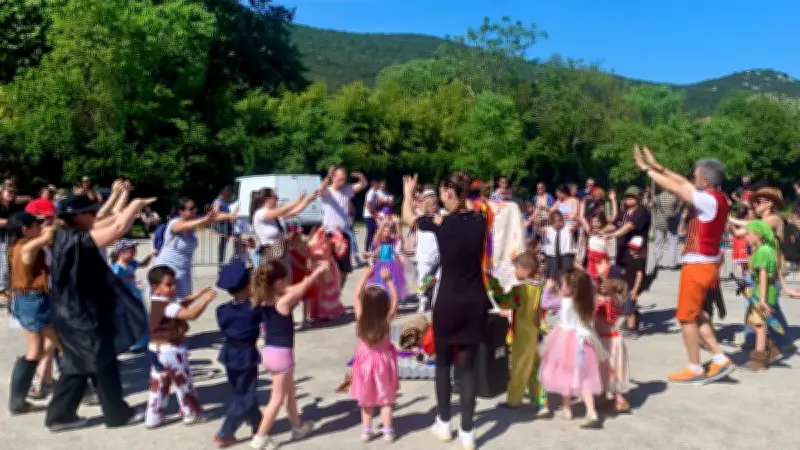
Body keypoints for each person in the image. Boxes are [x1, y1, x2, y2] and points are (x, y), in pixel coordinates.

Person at [45, 194, 154, 431]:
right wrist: (135, 205)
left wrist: (122, 202)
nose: (95, 216)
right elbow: (116, 228)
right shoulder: (76, 240)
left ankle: (60, 416)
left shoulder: (66, 235)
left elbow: (108, 221)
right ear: (77, 217)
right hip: (79, 315)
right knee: (102, 361)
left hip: (71, 312)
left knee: (79, 364)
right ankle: (117, 414)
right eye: (90, 213)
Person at [401, 172, 491, 450]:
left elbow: (407, 218)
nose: (441, 198)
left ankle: (444, 422)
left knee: (443, 363)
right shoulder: (481, 220)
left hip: (449, 302)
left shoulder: (441, 223)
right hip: (475, 301)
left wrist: (408, 194)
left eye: (442, 193)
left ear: (450, 193)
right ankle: (468, 431)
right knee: (466, 368)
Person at [634, 145, 734, 384]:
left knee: (686, 317)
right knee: (698, 314)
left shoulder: (707, 200)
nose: (692, 178)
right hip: (707, 265)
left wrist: (646, 170)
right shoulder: (718, 198)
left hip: (698, 265)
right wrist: (660, 167)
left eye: (696, 175)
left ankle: (694, 367)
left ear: (706, 181)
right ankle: (720, 357)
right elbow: (683, 184)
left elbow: (676, 187)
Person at [250, 260, 328, 450]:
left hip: (269, 352)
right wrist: (318, 272)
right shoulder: (284, 301)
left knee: (289, 391)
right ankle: (260, 438)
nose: (288, 283)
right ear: (278, 283)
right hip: (282, 355)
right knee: (276, 398)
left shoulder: (263, 299)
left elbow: (295, 287)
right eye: (285, 280)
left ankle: (298, 426)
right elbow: (302, 288)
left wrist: (312, 274)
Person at [144, 266, 216, 428]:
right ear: (156, 288)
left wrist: (194, 297)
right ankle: (191, 413)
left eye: (174, 283)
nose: (174, 287)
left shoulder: (156, 300)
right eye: (169, 285)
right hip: (170, 351)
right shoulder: (167, 307)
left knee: (159, 384)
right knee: (183, 383)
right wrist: (205, 300)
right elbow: (190, 315)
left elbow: (179, 304)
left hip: (154, 349)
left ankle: (153, 418)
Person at [538, 268, 605, 428]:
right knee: (584, 378)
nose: (560, 287)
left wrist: (547, 288)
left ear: (571, 288)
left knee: (564, 374)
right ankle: (591, 411)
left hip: (564, 341)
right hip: (583, 342)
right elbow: (592, 285)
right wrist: (591, 274)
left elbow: (545, 303)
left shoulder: (563, 301)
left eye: (563, 284)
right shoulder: (586, 301)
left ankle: (567, 409)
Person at [7, 212, 58, 415]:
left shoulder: (15, 246)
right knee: (60, 343)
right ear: (24, 230)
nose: (39, 227)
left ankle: (17, 401)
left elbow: (42, 236)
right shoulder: (27, 246)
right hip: (33, 300)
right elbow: (47, 237)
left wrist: (44, 225)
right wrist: (55, 223)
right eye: (35, 225)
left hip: (23, 299)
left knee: (35, 350)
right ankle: (64, 391)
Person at [212, 261, 263, 448]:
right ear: (247, 287)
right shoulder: (253, 309)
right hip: (246, 355)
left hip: (229, 353)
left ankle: (258, 423)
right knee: (245, 395)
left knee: (241, 391)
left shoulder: (222, 310)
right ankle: (225, 432)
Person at [350, 266, 400, 442]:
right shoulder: (386, 319)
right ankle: (388, 431)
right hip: (383, 363)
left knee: (366, 399)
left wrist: (364, 276)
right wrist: (388, 281)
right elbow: (395, 300)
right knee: (385, 398)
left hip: (364, 363)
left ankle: (366, 430)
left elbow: (355, 295)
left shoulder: (361, 317)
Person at [496, 253, 548, 415]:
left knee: (519, 368)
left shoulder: (521, 290)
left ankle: (513, 401)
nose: (515, 272)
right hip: (538, 332)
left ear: (526, 270)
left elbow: (504, 302)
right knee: (535, 369)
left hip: (523, 335)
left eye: (516, 268)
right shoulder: (540, 287)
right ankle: (541, 402)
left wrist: (493, 286)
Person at [155, 197, 237, 299]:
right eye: (191, 209)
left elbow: (212, 218)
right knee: (166, 305)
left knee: (183, 303)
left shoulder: (193, 223)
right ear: (181, 212)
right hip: (166, 271)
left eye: (195, 208)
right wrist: (204, 220)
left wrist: (230, 215)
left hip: (184, 272)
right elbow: (182, 226)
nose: (194, 211)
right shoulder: (174, 222)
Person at [739, 221, 780, 371]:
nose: (746, 237)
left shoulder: (763, 251)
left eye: (748, 234)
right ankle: (772, 350)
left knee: (759, 326)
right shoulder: (766, 249)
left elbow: (763, 277)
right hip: (761, 291)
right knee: (753, 322)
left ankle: (758, 361)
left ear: (758, 235)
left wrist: (761, 300)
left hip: (762, 293)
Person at [320, 166, 368, 289]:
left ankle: (337, 293)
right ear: (333, 178)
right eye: (340, 179)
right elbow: (321, 190)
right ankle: (327, 292)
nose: (342, 182)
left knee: (344, 268)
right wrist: (327, 177)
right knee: (329, 266)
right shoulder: (328, 191)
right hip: (330, 233)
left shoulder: (347, 189)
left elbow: (363, 185)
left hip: (344, 233)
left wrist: (361, 177)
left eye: (344, 179)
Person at [595, 263, 631, 414]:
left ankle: (619, 399)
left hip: (606, 340)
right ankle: (603, 396)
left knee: (609, 369)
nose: (600, 283)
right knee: (609, 370)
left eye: (603, 280)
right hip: (614, 339)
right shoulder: (618, 298)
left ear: (612, 282)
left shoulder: (608, 299)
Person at [250, 187, 317, 267]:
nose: (278, 199)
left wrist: (308, 200)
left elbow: (295, 212)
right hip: (270, 257)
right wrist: (297, 201)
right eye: (276, 197)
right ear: (267, 199)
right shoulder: (260, 213)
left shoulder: (276, 214)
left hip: (282, 255)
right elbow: (282, 210)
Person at [110, 239, 156, 353]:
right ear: (120, 253)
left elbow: (143, 264)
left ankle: (144, 341)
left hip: (136, 295)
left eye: (134, 251)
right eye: (131, 251)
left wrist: (150, 255)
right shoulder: (116, 269)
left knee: (142, 317)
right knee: (130, 320)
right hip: (125, 299)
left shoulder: (132, 264)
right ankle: (133, 344)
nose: (133, 254)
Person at [607, 186, 651, 268]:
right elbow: (614, 225)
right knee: (620, 276)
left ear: (639, 198)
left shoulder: (642, 212)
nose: (629, 199)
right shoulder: (624, 212)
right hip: (622, 253)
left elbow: (630, 226)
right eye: (627, 197)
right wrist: (600, 231)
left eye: (632, 197)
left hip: (636, 252)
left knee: (634, 275)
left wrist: (612, 235)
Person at [414, 190, 441, 313]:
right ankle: (422, 299)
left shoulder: (440, 216)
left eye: (436, 204)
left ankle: (436, 302)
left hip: (438, 255)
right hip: (424, 257)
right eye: (431, 205)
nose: (434, 207)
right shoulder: (420, 217)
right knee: (423, 280)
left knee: (438, 279)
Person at [366, 219, 407, 298]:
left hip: (392, 265)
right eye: (385, 231)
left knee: (392, 282)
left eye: (389, 231)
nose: (387, 233)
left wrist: (397, 224)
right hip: (381, 265)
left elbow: (398, 237)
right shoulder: (379, 242)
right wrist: (383, 223)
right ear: (381, 232)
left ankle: (391, 296)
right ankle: (382, 296)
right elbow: (375, 253)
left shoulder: (393, 241)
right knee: (380, 281)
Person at [0, 183, 26, 306]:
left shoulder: (13, 206)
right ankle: (1, 290)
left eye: (13, 192)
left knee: (11, 261)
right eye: (8, 191)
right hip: (2, 237)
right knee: (3, 262)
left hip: (10, 236)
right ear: (2, 191)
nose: (11, 194)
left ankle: (8, 287)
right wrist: (11, 222)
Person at [539, 211, 577, 284]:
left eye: (560, 220)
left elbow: (576, 225)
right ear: (552, 222)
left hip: (566, 256)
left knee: (565, 279)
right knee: (551, 279)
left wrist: (572, 217)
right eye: (555, 221)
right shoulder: (548, 229)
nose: (558, 223)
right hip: (551, 257)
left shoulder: (568, 228)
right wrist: (536, 224)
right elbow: (538, 230)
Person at [621, 236, 647, 339]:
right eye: (630, 248)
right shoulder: (631, 258)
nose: (631, 250)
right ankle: (632, 324)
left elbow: (639, 276)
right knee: (626, 308)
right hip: (627, 287)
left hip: (632, 289)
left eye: (634, 248)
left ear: (640, 249)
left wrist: (635, 290)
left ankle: (632, 330)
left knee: (629, 309)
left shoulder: (639, 261)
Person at [652, 187, 683, 270]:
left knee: (658, 244)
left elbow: (653, 207)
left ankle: (658, 263)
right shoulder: (674, 198)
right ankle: (672, 264)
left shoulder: (657, 198)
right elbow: (679, 207)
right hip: (671, 224)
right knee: (672, 244)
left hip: (660, 223)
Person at [213, 186, 235, 265]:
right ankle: (220, 262)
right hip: (222, 223)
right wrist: (228, 215)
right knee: (223, 242)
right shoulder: (218, 201)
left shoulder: (226, 201)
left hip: (227, 222)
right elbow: (216, 212)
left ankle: (224, 261)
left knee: (225, 242)